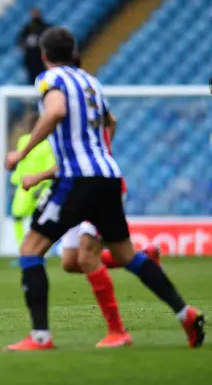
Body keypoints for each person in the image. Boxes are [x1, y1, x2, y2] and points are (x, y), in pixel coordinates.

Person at [3, 27, 205, 350]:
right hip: (108, 175)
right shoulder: (91, 82)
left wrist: (21, 154)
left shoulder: (48, 80)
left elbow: (55, 111)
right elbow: (111, 121)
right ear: (73, 51)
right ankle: (185, 313)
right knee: (126, 255)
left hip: (77, 178)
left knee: (31, 250)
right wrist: (96, 149)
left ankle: (40, 337)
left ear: (44, 55)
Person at [20, 118, 161, 347]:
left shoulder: (82, 130)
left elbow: (79, 161)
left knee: (86, 257)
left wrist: (38, 176)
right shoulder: (80, 126)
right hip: (73, 189)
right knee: (70, 262)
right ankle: (143, 259)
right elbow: (111, 122)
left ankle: (117, 330)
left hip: (92, 190)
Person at [10, 124, 55, 247]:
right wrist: (14, 182)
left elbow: (50, 165)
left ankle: (41, 251)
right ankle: (23, 249)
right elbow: (21, 164)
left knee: (39, 219)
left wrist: (44, 185)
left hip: (40, 185)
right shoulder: (24, 141)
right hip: (25, 185)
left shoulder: (47, 144)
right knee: (18, 217)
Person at [18, 8, 51, 85]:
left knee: (43, 79)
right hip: (30, 60)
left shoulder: (45, 27)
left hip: (42, 59)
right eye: (33, 14)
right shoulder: (27, 28)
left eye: (36, 13)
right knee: (32, 81)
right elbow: (20, 42)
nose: (34, 16)